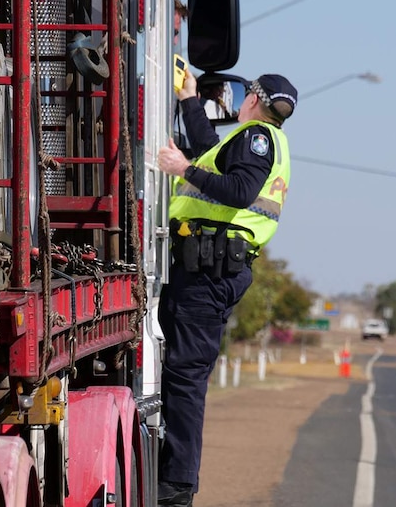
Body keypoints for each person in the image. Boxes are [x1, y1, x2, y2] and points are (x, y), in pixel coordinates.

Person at [156, 70, 298, 506]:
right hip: (208, 268)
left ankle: (176, 489)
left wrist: (181, 169)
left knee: (185, 377)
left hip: (210, 271)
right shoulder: (253, 141)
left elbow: (237, 191)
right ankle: (173, 478)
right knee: (180, 373)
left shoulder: (257, 138)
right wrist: (189, 99)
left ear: (252, 98)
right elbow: (205, 151)